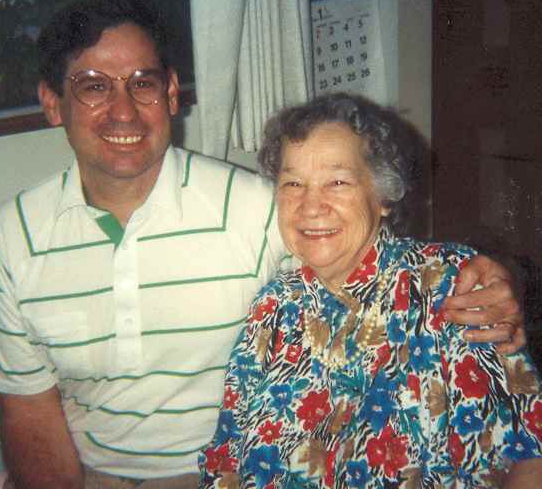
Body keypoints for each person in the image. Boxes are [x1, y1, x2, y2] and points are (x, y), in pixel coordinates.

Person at [0, 0, 526, 487]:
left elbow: (366, 253)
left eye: (142, 83)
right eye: (94, 86)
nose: (123, 110)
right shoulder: (11, 239)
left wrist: (496, 278)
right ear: (52, 102)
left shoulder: (256, 208)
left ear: (171, 93)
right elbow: (27, 405)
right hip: (95, 470)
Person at [198, 93, 542, 488]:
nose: (310, 205)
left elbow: (530, 448)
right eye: (293, 183)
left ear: (382, 197)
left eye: (337, 182)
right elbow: (225, 456)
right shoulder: (272, 307)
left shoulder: (448, 285)